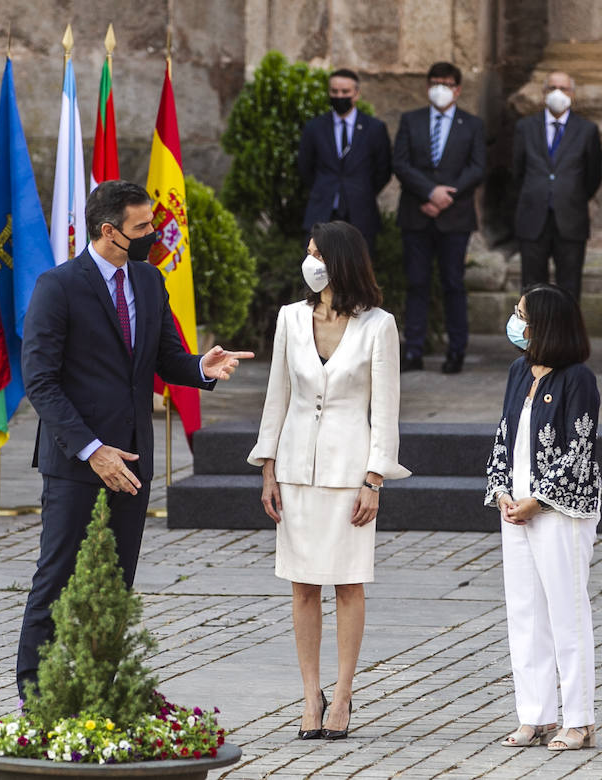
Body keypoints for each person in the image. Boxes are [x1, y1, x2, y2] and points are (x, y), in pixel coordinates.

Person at [15, 180, 253, 698]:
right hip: (77, 461)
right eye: (142, 227)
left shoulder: (148, 280)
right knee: (57, 576)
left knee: (116, 582)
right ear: (109, 231)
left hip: (133, 461)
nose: (152, 235)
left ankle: (102, 685)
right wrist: (91, 449)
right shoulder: (58, 287)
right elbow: (41, 382)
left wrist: (201, 368)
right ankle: (34, 693)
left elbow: (165, 358)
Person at [248, 221, 411, 741]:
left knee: (347, 583)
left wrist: (375, 479)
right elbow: (276, 396)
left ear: (340, 261)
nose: (309, 261)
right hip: (295, 470)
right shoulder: (290, 319)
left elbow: (385, 409)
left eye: (318, 253)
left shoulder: (378, 325)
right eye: (307, 251)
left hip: (349, 473)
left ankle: (342, 695)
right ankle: (309, 695)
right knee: (301, 585)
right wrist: (268, 466)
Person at [485, 283, 601, 752]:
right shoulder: (518, 370)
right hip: (515, 510)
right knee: (525, 611)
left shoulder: (578, 378)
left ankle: (579, 718)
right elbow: (503, 434)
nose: (517, 323)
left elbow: (580, 447)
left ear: (546, 325)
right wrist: (502, 491)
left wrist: (541, 498)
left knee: (566, 612)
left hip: (560, 510)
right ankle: (535, 714)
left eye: (523, 316)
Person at [392, 61, 487, 375]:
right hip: (417, 213)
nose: (439, 88)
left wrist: (448, 195)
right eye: (434, 82)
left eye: (446, 83)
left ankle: (456, 350)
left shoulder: (471, 124)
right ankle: (414, 349)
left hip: (455, 216)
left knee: (453, 284)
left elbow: (476, 167)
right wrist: (430, 192)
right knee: (417, 283)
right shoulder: (411, 120)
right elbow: (401, 164)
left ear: (458, 89)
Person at [512, 70, 602, 303]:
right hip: (533, 218)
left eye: (563, 89)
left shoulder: (586, 130)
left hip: (570, 219)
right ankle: (532, 338)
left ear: (572, 94)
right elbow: (517, 171)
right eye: (552, 88)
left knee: (569, 287)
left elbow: (593, 175)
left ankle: (566, 339)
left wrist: (571, 195)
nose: (557, 93)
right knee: (532, 288)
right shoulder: (526, 127)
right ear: (543, 93)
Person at [297, 68, 393, 251]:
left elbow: (383, 169)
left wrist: (361, 190)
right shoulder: (314, 127)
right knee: (317, 273)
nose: (339, 96)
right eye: (334, 92)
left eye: (345, 92)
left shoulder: (374, 128)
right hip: (322, 211)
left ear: (356, 94)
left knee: (358, 274)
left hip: (361, 213)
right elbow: (305, 167)